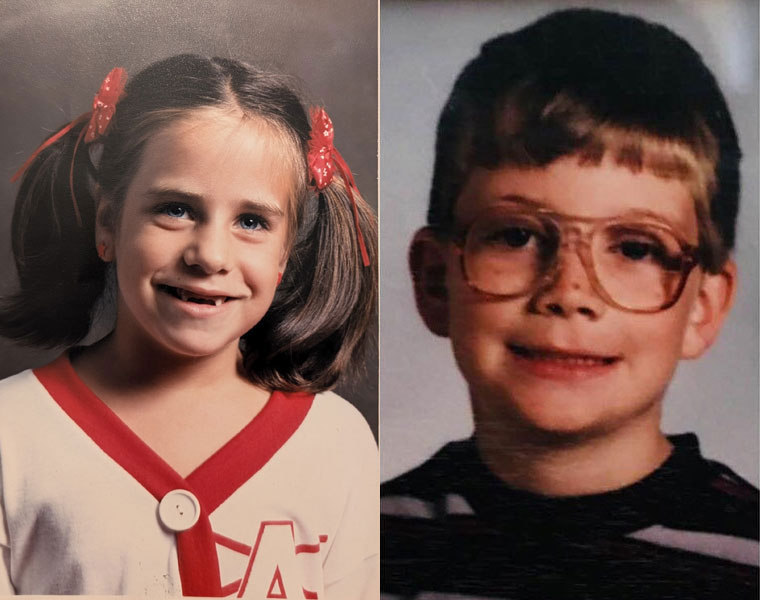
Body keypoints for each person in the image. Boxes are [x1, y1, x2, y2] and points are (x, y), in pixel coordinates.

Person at [380, 8, 757, 599]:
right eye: (516, 235)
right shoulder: (359, 549)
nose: (568, 293)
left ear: (704, 307)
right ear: (434, 281)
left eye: (635, 247)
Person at [0, 54, 378, 597]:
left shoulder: (338, 444)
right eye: (176, 209)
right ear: (108, 223)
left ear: (285, 256)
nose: (209, 255)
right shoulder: (12, 436)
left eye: (251, 221)